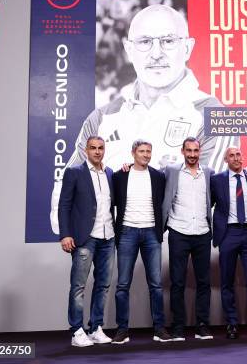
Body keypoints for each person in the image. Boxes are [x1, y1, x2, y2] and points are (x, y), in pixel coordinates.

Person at [50, 3, 237, 233]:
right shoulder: (103, 116)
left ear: (187, 48)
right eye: (145, 42)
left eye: (168, 41)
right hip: (107, 244)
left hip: (173, 254)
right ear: (129, 49)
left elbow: (202, 201)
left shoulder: (215, 114)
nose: (156, 53)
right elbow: (65, 193)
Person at [58, 136, 115, 347]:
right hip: (85, 238)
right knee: (78, 286)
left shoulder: (109, 173)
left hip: (108, 236)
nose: (97, 152)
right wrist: (65, 234)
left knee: (103, 285)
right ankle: (76, 331)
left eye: (101, 148)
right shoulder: (74, 172)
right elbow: (64, 205)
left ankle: (95, 328)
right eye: (93, 148)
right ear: (85, 150)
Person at [111, 139, 168, 344]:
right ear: (133, 153)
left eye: (149, 151)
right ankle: (122, 330)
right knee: (123, 284)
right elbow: (111, 203)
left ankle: (159, 329)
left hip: (152, 233)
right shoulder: (119, 176)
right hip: (127, 232)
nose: (146, 154)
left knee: (156, 284)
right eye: (142, 151)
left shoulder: (159, 176)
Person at [210, 147, 247, 339]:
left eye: (238, 155)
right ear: (226, 160)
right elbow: (206, 203)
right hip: (228, 233)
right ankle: (232, 324)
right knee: (227, 281)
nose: (236, 158)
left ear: (242, 158)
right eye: (231, 156)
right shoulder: (216, 180)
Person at [162, 137, 214, 341]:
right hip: (178, 232)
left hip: (202, 233)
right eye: (189, 151)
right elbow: (148, 175)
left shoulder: (208, 173)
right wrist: (128, 166)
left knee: (204, 282)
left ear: (199, 152)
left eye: (196, 151)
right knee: (177, 283)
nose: (192, 154)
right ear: (182, 151)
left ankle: (202, 325)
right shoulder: (171, 170)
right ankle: (178, 327)